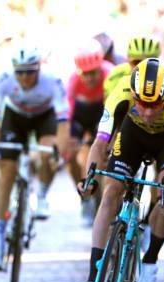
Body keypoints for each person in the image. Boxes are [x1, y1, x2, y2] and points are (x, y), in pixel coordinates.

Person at [74, 58, 164, 282]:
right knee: (110, 191)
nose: (148, 112)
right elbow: (100, 143)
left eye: (156, 104)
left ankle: (150, 260)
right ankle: (92, 281)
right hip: (132, 136)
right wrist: (90, 179)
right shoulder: (122, 90)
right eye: (141, 103)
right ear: (133, 94)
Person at [0, 43, 69, 270]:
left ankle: (42, 195)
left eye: (29, 72)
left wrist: (58, 153)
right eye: (19, 72)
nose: (24, 77)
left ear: (38, 69)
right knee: (7, 171)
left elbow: (63, 124)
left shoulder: (52, 82)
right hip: (15, 117)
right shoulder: (3, 80)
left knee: (48, 151)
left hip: (45, 117)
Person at [66, 39, 114, 226]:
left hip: (102, 113)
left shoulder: (110, 73)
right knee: (71, 154)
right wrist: (67, 140)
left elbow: (114, 108)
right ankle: (84, 195)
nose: (89, 78)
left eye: (93, 72)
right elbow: (67, 113)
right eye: (84, 74)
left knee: (101, 155)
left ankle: (102, 199)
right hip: (80, 114)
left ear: (100, 66)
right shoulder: (72, 81)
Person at [102, 36, 161, 100]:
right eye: (137, 62)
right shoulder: (116, 75)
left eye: (149, 63)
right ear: (128, 60)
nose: (143, 68)